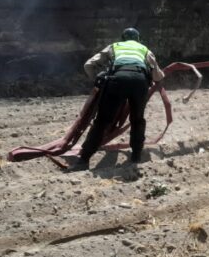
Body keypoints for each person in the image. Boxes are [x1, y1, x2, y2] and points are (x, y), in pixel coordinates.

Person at [68, 28, 165, 171]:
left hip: (117, 80)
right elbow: (158, 77)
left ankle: (83, 160)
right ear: (138, 39)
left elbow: (88, 65)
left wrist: (97, 80)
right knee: (137, 120)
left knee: (101, 121)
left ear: (123, 38)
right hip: (140, 82)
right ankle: (136, 156)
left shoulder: (115, 46)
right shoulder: (144, 49)